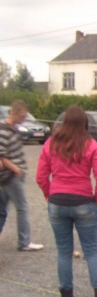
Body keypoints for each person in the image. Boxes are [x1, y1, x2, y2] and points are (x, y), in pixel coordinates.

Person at [36, 106, 97, 297]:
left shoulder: (51, 144)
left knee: (63, 251)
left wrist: (49, 195)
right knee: (92, 251)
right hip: (84, 202)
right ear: (85, 124)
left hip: (57, 202)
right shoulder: (90, 145)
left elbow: (41, 176)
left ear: (64, 122)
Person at [0, 100, 44, 251]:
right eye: (23, 116)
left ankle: (23, 241)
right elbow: (2, 156)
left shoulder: (13, 128)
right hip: (10, 176)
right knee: (22, 207)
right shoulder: (4, 130)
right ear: (15, 113)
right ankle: (24, 242)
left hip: (10, 175)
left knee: (2, 209)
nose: (24, 119)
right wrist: (16, 169)